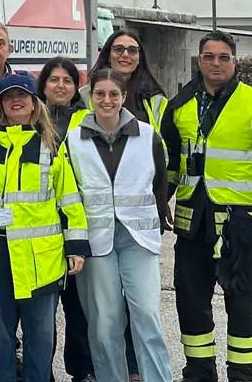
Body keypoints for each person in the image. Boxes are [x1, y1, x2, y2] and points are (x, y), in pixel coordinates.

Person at [162, 30, 252, 382]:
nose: (216, 63)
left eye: (224, 57)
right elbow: (171, 161)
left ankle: (241, 375)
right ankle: (199, 372)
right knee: (191, 303)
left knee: (243, 306)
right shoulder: (180, 104)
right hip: (193, 223)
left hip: (242, 224)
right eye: (209, 57)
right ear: (199, 60)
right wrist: (161, 200)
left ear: (234, 62)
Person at [0, 71, 88, 382]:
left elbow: (69, 199)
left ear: (35, 103)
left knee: (41, 338)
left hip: (41, 259)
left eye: (22, 95)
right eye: (9, 97)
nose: (16, 101)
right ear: (1, 104)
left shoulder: (51, 145)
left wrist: (76, 246)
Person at [66, 68, 173, 382]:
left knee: (147, 316)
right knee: (104, 322)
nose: (107, 100)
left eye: (114, 94)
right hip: (96, 241)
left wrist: (158, 220)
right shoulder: (74, 140)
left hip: (138, 240)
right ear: (91, 97)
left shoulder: (147, 136)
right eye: (100, 94)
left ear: (124, 97)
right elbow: (69, 193)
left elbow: (160, 183)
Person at [37, 57, 95, 382]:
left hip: (77, 220)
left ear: (76, 88)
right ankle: (40, 371)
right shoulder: (30, 119)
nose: (60, 85)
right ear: (43, 85)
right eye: (54, 79)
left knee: (78, 307)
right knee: (41, 313)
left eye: (67, 80)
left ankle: (81, 369)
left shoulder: (89, 121)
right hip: (38, 228)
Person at [85, 30, 169, 130]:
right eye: (118, 49)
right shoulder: (84, 95)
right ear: (108, 56)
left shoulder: (155, 99)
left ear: (139, 58)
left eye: (132, 50)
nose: (125, 55)